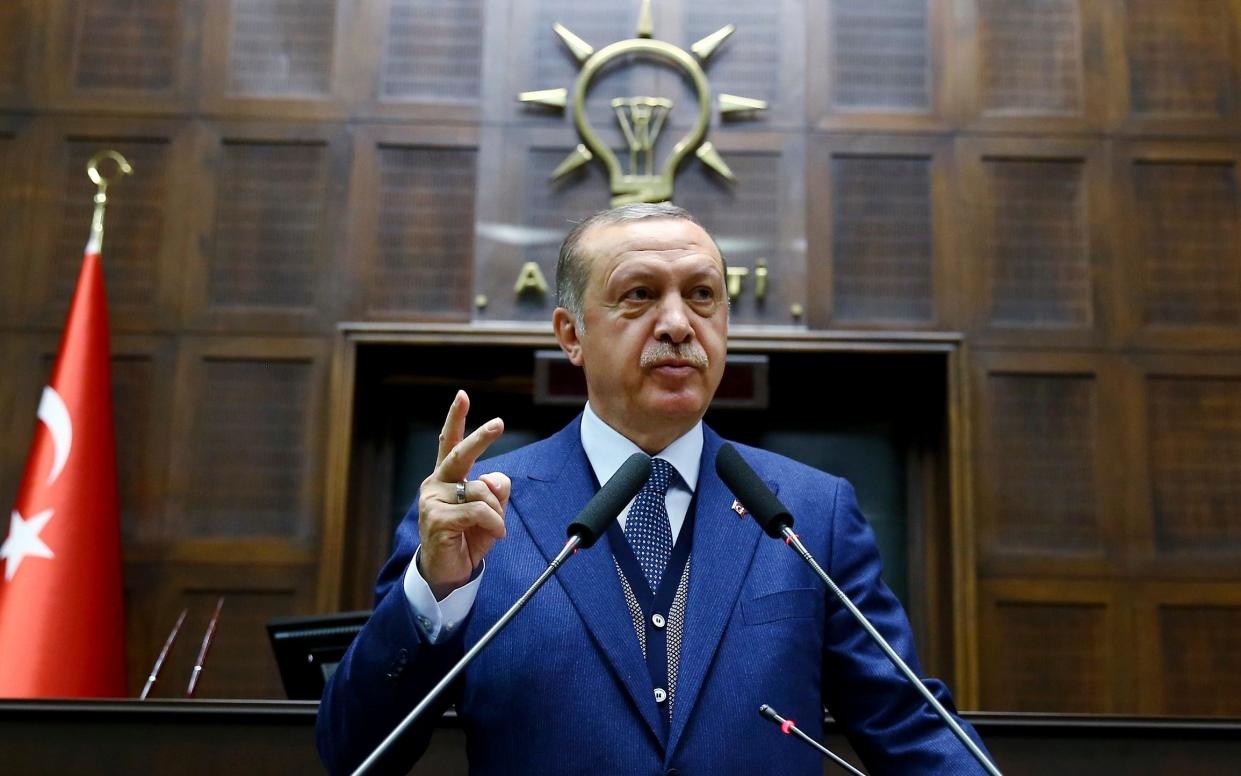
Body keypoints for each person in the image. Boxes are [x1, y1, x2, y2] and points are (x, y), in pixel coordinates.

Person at [317, 203, 991, 774]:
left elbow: (911, 731)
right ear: (570, 334)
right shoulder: (480, 509)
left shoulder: (811, 511)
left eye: (702, 296)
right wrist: (434, 592)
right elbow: (352, 752)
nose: (677, 324)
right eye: (639, 294)